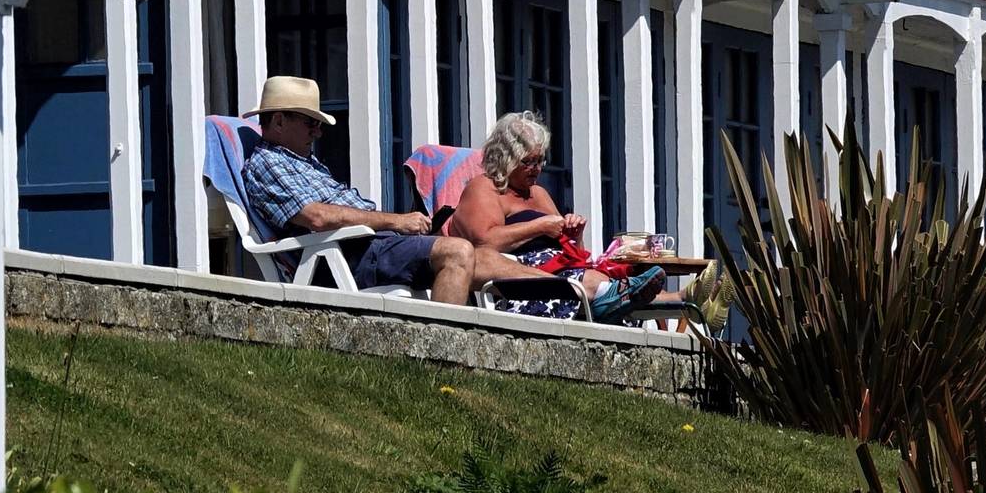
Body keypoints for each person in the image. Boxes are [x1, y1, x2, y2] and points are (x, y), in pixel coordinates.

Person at [237, 77, 659, 318]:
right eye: (309, 122)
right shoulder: (270, 164)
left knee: (471, 255)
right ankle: (445, 344)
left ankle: (591, 294)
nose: (318, 131)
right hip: (345, 255)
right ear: (277, 121)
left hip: (371, 244)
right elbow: (317, 218)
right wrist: (397, 221)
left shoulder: (308, 164)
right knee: (459, 251)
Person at [446, 111, 669, 319]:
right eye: (528, 162)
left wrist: (575, 234)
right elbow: (484, 242)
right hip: (523, 279)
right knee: (593, 283)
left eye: (540, 160)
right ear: (505, 158)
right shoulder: (485, 188)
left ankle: (629, 296)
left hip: (563, 269)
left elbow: (573, 253)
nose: (536, 169)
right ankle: (617, 297)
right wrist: (539, 227)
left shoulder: (539, 194)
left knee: (595, 276)